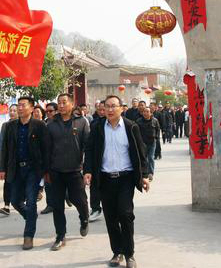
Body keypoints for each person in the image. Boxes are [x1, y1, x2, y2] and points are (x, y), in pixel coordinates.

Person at [83, 95, 149, 268]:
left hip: (125, 178)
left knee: (125, 215)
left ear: (121, 108)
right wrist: (88, 170)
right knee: (111, 217)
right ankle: (117, 251)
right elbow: (89, 150)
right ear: (103, 109)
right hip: (105, 179)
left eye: (114, 106)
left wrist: (145, 175)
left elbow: (141, 152)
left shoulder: (130, 127)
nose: (110, 110)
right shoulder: (97, 127)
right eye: (107, 106)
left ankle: (129, 254)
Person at [0, 96, 50, 250]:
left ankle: (28, 236)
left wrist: (45, 171)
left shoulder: (39, 125)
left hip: (33, 170)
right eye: (18, 105)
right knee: (14, 200)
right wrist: (2, 168)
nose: (20, 108)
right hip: (15, 169)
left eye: (23, 105)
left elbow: (46, 149)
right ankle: (31, 218)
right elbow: (6, 148)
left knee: (31, 201)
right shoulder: (10, 126)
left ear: (31, 108)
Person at [46, 93, 91, 251]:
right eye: (59, 103)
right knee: (57, 205)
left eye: (65, 102)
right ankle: (60, 235)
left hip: (74, 170)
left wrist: (87, 169)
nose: (61, 105)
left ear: (72, 104)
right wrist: (46, 171)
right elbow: (47, 150)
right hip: (56, 171)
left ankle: (84, 218)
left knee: (79, 200)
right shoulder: (51, 124)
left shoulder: (81, 122)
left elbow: (88, 147)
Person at [0, 104, 18, 216]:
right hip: (9, 159)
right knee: (8, 182)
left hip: (20, 159)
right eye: (11, 110)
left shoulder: (23, 124)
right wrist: (1, 157)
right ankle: (6, 205)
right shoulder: (5, 125)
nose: (13, 112)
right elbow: (2, 142)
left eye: (15, 110)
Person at [89, 100, 105, 222]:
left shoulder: (123, 124)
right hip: (97, 162)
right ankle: (95, 208)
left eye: (104, 109)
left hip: (113, 165)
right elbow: (89, 147)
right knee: (94, 186)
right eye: (100, 109)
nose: (103, 111)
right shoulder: (94, 124)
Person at [41, 102, 58, 215]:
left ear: (56, 111)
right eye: (46, 111)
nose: (48, 113)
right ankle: (50, 204)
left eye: (50, 111)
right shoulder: (44, 124)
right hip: (46, 158)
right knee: (48, 183)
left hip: (59, 158)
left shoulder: (60, 123)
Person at [136, 106, 158, 180]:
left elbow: (158, 129)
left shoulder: (155, 121)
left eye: (147, 112)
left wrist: (156, 138)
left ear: (151, 113)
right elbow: (136, 132)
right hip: (142, 143)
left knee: (151, 157)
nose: (145, 113)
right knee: (144, 158)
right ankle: (144, 173)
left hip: (152, 143)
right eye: (144, 112)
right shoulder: (138, 121)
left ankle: (150, 173)